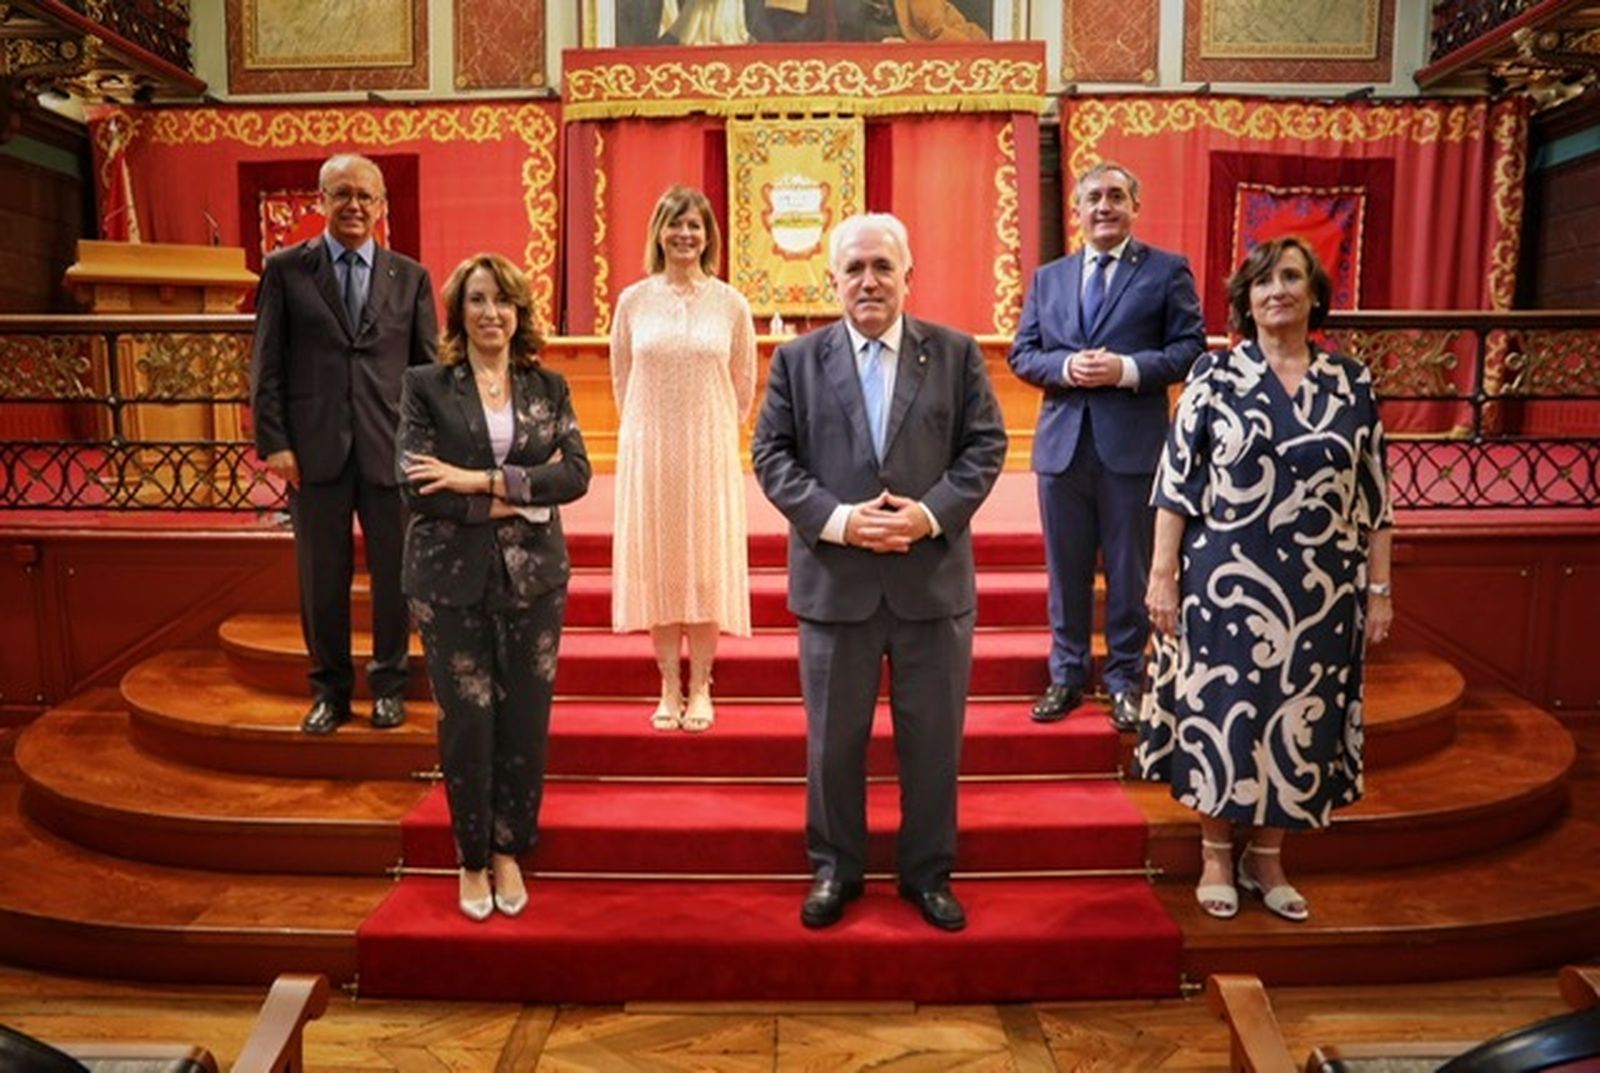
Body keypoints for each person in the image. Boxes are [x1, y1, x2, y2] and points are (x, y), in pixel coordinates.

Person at [752, 213, 1007, 932]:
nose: (869, 281)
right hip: (837, 583)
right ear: (833, 279)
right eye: (855, 268)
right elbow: (771, 456)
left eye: (882, 267)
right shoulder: (797, 362)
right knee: (834, 745)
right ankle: (835, 868)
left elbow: (986, 446)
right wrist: (839, 519)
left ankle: (927, 874)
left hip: (931, 583)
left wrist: (927, 515)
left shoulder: (955, 354)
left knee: (933, 745)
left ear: (907, 276)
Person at [1135, 237, 1394, 923]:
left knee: (1301, 716)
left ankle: (1268, 854)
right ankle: (1217, 851)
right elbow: (1174, 486)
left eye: (1290, 277)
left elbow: (1376, 498)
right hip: (1226, 580)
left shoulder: (1351, 381)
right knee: (1226, 711)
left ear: (1315, 295)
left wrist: (1379, 590)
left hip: (1323, 589)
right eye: (1261, 281)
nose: (1276, 289)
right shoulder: (1214, 375)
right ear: (1245, 301)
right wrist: (1162, 577)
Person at [398, 253, 591, 920]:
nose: (490, 313)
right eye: (477, 300)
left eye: (502, 300)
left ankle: (510, 846)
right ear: (459, 310)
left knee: (526, 719)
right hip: (448, 577)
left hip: (535, 578)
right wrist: (524, 498)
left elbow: (577, 474)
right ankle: (472, 856)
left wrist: (479, 481)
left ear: (519, 312)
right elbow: (417, 484)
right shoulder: (426, 385)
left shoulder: (548, 387)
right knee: (468, 721)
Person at [1008, 162, 1204, 732]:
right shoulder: (1049, 278)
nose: (1104, 207)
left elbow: (1190, 348)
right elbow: (1023, 354)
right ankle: (1067, 676)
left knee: (1128, 569)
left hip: (1133, 448)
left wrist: (1127, 369)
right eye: (1093, 198)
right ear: (1077, 211)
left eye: (1116, 196)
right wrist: (1066, 367)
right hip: (1062, 450)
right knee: (1065, 571)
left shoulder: (1166, 271)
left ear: (1134, 207)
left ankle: (1124, 681)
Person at [251, 152, 438, 736]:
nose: (354, 205)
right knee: (321, 580)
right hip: (313, 454)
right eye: (342, 194)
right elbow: (266, 364)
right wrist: (275, 442)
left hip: (391, 451)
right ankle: (329, 692)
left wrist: (426, 446)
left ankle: (389, 687)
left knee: (395, 578)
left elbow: (426, 372)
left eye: (365, 195)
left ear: (381, 206)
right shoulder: (286, 270)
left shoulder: (411, 277)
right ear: (322, 201)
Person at [610, 186, 757, 733]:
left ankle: (701, 687)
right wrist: (649, 433)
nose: (684, 235)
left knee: (705, 565)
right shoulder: (633, 302)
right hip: (651, 451)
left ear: (708, 235)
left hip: (708, 451)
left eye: (694, 225)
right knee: (662, 565)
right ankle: (669, 683)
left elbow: (743, 383)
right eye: (675, 224)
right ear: (659, 233)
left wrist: (711, 432)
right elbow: (622, 378)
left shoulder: (731, 304)